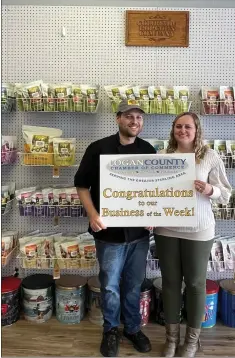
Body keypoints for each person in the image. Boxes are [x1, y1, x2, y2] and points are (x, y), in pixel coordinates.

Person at [74, 100, 156, 357]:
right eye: (130, 117)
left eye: (139, 118)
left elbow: (155, 189)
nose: (135, 122)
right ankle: (110, 330)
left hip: (139, 234)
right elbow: (81, 185)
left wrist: (155, 212)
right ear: (118, 119)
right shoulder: (98, 148)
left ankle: (132, 328)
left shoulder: (149, 151)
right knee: (109, 286)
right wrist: (92, 214)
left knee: (133, 286)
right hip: (108, 234)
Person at [154, 112, 231, 358]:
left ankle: (192, 341)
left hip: (199, 229)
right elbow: (151, 192)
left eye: (188, 126)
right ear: (173, 130)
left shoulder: (209, 156)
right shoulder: (162, 156)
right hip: (166, 229)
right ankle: (171, 339)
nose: (183, 130)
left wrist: (211, 190)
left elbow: (226, 192)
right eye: (178, 126)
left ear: (197, 130)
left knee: (196, 284)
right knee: (170, 283)